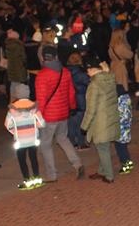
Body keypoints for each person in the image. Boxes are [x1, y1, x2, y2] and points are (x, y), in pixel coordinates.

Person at [35, 47, 84, 183]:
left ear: (43, 58)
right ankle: (77, 163)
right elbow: (71, 92)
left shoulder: (42, 75)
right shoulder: (65, 72)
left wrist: (38, 116)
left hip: (49, 115)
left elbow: (41, 99)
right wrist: (72, 107)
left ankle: (52, 175)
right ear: (56, 57)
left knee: (45, 144)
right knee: (63, 138)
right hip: (63, 113)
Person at [81, 56, 119, 184]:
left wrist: (84, 126)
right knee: (105, 146)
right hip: (110, 117)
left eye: (87, 70)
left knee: (102, 148)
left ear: (92, 69)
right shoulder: (110, 78)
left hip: (100, 121)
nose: (87, 73)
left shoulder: (94, 85)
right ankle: (102, 171)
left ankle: (109, 175)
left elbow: (91, 109)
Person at [4, 98, 45, 190]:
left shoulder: (12, 113)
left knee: (22, 160)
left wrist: (15, 132)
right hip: (33, 139)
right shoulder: (34, 111)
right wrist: (35, 127)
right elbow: (42, 123)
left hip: (20, 141)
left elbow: (7, 125)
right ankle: (37, 178)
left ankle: (27, 180)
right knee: (33, 158)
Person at [66, 52, 90, 150]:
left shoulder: (65, 72)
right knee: (81, 122)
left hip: (68, 100)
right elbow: (89, 84)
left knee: (71, 122)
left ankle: (72, 142)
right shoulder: (81, 74)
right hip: (80, 100)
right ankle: (81, 143)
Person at [114, 73, 134, 175]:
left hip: (120, 127)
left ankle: (126, 164)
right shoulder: (126, 98)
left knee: (120, 147)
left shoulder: (118, 101)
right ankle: (128, 162)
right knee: (124, 146)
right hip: (126, 125)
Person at [5, 28, 28, 101]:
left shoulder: (8, 45)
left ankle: (12, 101)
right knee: (18, 86)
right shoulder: (19, 45)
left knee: (13, 84)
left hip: (11, 67)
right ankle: (17, 102)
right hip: (19, 67)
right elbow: (24, 57)